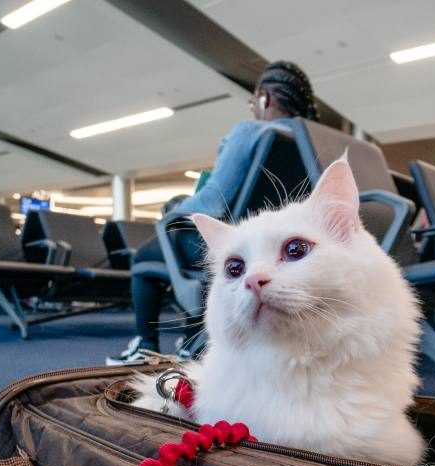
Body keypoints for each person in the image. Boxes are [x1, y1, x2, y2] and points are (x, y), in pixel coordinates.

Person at [107, 61, 320, 365]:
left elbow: (213, 201)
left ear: (264, 98)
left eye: (254, 102)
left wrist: (173, 212)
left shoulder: (252, 131)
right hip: (281, 254)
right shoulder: (307, 142)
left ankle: (145, 345)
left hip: (235, 249)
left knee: (146, 256)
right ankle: (189, 344)